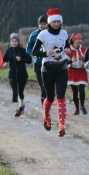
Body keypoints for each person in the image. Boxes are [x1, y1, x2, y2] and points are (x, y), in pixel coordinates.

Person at [36, 8, 71, 136]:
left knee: (61, 96)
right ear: (49, 22)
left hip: (61, 67)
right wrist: (45, 53)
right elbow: (34, 51)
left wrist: (67, 49)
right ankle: (46, 116)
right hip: (47, 68)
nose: (56, 24)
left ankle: (62, 125)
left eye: (58, 22)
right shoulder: (43, 34)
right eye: (54, 22)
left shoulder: (64, 33)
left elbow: (66, 45)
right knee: (50, 97)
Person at [4, 33, 32, 117]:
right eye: (12, 41)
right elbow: (5, 58)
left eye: (16, 41)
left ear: (18, 42)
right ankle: (16, 109)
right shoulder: (9, 50)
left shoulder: (22, 50)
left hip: (22, 74)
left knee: (20, 92)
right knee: (15, 92)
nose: (14, 43)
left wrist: (21, 59)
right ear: (10, 42)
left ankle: (22, 105)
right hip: (12, 74)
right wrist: (5, 62)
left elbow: (29, 60)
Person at [26, 14, 48, 103]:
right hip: (38, 63)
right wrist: (34, 52)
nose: (43, 26)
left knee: (48, 86)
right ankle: (44, 107)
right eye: (41, 24)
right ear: (38, 25)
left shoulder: (51, 34)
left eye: (44, 24)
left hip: (49, 64)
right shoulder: (34, 35)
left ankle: (48, 104)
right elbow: (28, 48)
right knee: (42, 86)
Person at [66, 33, 88, 116]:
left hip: (81, 71)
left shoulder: (83, 49)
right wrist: (71, 61)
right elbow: (65, 61)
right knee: (75, 91)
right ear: (74, 40)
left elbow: (87, 59)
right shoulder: (69, 50)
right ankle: (77, 109)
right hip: (72, 72)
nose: (80, 41)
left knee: (81, 89)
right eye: (78, 39)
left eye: (80, 39)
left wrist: (85, 63)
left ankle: (82, 105)